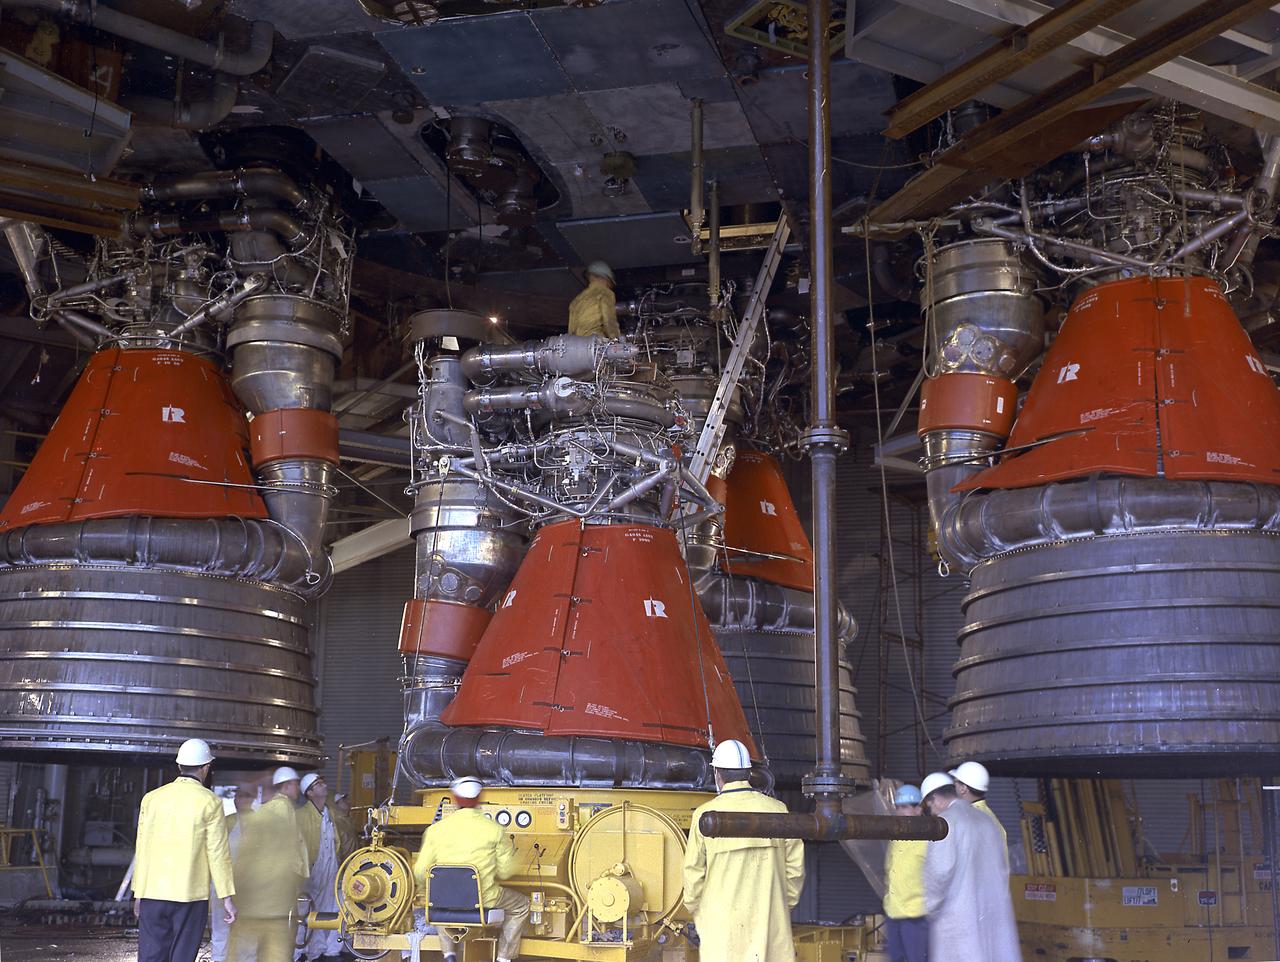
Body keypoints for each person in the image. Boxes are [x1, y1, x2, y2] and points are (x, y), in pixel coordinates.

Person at [682, 739, 804, 962]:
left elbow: (693, 877)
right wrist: (779, 905)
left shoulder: (705, 815)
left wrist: (698, 912)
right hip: (770, 924)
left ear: (717, 773)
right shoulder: (779, 811)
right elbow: (795, 871)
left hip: (722, 931)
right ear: (749, 773)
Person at [133, 738, 236, 962]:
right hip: (190, 895)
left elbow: (142, 848)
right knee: (182, 956)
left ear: (179, 765)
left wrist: (138, 892)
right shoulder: (210, 802)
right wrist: (226, 897)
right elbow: (217, 853)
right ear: (206, 768)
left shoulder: (151, 799)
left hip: (152, 893)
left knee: (151, 956)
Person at [412, 776, 529, 962]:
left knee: (439, 896)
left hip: (446, 902)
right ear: (478, 798)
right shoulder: (494, 829)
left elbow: (420, 871)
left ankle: (449, 955)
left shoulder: (435, 830)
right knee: (522, 905)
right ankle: (503, 958)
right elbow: (506, 871)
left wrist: (424, 890)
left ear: (455, 799)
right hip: (484, 900)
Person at [921, 772, 1021, 962]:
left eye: (929, 806)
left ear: (934, 799)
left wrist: (929, 907)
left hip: (959, 922)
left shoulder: (945, 823)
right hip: (991, 916)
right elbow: (1002, 867)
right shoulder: (986, 820)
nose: (931, 812)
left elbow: (939, 873)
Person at [228, 767, 310, 962]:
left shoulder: (275, 809)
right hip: (272, 896)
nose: (298, 788)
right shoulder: (280, 808)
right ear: (286, 785)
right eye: (296, 784)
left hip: (265, 897)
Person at [297, 772, 354, 962]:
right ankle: (303, 953)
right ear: (310, 792)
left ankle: (324, 951)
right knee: (306, 911)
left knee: (330, 908)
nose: (323, 785)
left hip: (331, 867)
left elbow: (340, 839)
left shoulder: (330, 813)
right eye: (318, 784)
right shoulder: (302, 816)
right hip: (311, 869)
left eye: (323, 782)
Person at [883, 784, 928, 962]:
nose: (900, 812)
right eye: (898, 808)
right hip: (894, 912)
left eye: (905, 807)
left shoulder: (929, 837)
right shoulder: (897, 836)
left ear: (918, 809)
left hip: (916, 915)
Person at [210, 790, 251, 962]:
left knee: (248, 928)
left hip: (249, 882)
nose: (237, 800)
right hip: (224, 880)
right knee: (221, 925)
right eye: (237, 796)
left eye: (243, 796)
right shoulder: (227, 822)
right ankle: (219, 959)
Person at [949, 761, 1008, 846]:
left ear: (963, 788)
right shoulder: (989, 816)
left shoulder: (966, 818)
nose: (953, 786)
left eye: (955, 782)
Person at [567, 261, 620, 338]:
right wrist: (616, 338)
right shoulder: (606, 293)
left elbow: (571, 329)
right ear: (605, 278)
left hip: (577, 343)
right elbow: (609, 320)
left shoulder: (577, 299)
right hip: (595, 342)